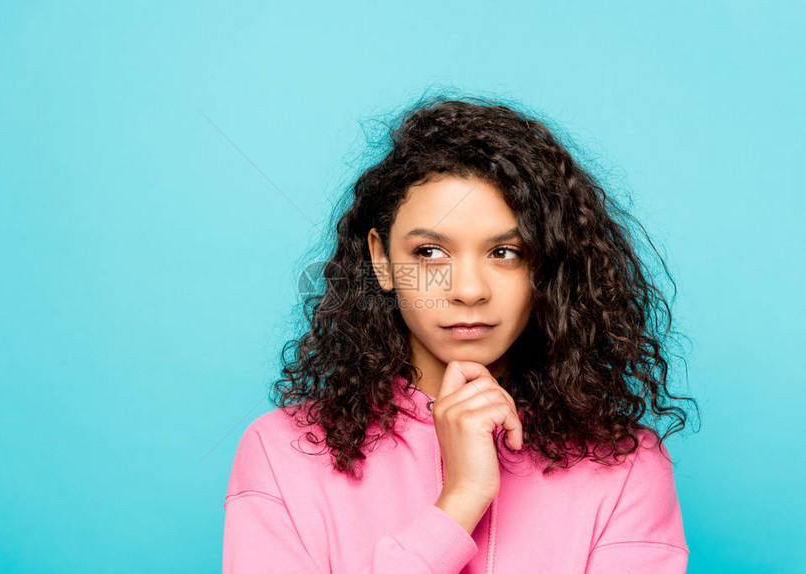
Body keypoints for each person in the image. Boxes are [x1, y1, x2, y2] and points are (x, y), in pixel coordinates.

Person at [222, 94, 700, 573]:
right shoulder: (283, 451)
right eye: (430, 252)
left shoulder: (626, 467)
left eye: (506, 252)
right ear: (382, 261)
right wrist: (461, 501)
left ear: (547, 265)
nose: (468, 290)